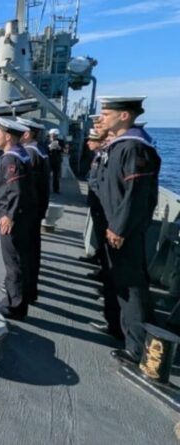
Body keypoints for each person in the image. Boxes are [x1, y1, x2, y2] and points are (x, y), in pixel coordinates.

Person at [96, 96, 161, 364]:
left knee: (132, 288)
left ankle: (136, 349)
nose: (102, 118)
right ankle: (120, 331)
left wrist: (119, 228)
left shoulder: (134, 148)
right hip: (116, 228)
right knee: (120, 283)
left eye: (107, 113)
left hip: (125, 232)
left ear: (124, 116)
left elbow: (135, 194)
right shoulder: (123, 146)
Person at [0, 118, 38, 320]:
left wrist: (8, 216)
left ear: (8, 136)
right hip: (24, 216)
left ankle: (15, 306)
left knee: (13, 261)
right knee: (21, 259)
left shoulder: (11, 159)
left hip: (15, 219)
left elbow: (16, 190)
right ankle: (22, 297)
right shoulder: (21, 155)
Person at [84, 128, 124, 340]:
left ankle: (117, 326)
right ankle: (112, 317)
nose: (89, 142)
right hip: (102, 210)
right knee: (107, 263)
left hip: (112, 219)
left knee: (115, 270)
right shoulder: (102, 157)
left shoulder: (122, 154)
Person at [16, 117, 50, 304]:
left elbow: (23, 188)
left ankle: (23, 291)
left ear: (27, 134)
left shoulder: (28, 153)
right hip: (36, 209)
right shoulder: (41, 150)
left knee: (23, 252)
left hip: (27, 212)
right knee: (32, 251)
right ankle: (30, 289)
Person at [47, 128, 65, 193]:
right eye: (53, 135)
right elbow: (44, 149)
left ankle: (56, 189)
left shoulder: (60, 141)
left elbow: (64, 150)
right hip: (49, 159)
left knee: (56, 176)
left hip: (57, 160)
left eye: (55, 135)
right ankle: (46, 188)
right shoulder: (47, 141)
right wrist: (49, 147)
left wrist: (59, 147)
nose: (54, 136)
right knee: (47, 175)